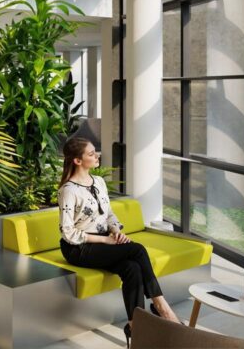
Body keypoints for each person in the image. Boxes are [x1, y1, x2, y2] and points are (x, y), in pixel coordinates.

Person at [58, 137, 181, 347]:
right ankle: (162, 308)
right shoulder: (68, 190)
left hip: (104, 241)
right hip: (79, 248)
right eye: (91, 154)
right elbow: (67, 232)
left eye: (95, 151)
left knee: (132, 268)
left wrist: (115, 231)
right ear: (77, 161)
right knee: (138, 250)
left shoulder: (99, 182)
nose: (97, 156)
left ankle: (136, 328)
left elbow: (108, 214)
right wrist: (105, 240)